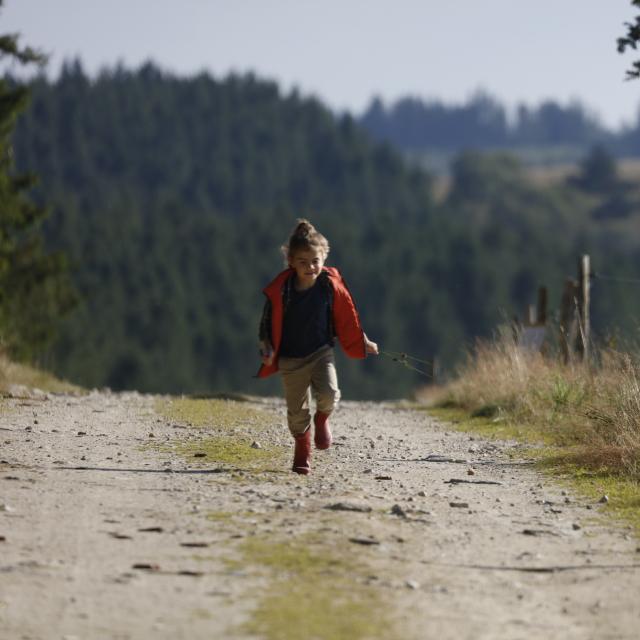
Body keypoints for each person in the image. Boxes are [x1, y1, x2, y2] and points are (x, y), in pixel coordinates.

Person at [257, 219, 378, 475]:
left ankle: (322, 418)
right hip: (290, 359)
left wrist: (362, 340)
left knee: (330, 393)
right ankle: (303, 449)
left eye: (315, 261)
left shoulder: (328, 287)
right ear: (291, 261)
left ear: (324, 257)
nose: (310, 267)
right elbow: (267, 324)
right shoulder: (284, 291)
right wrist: (266, 348)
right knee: (297, 410)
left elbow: (346, 320)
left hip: (321, 352)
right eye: (303, 262)